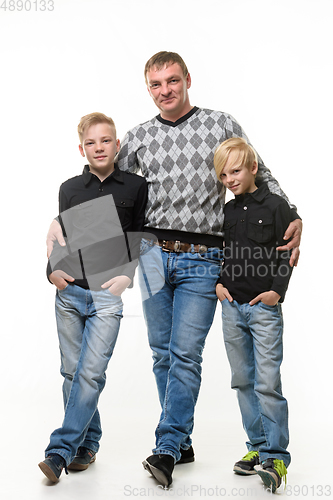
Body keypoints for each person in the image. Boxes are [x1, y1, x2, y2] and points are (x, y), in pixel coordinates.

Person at [46, 52, 302, 488]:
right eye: (155, 84)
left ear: (187, 79)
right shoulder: (139, 136)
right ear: (148, 89)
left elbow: (263, 172)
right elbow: (107, 184)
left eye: (172, 81)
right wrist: (62, 219)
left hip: (204, 258)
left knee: (186, 354)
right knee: (162, 353)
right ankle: (181, 440)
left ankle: (166, 447)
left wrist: (292, 214)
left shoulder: (221, 124)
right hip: (150, 257)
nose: (165, 90)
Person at [39, 112, 148, 483]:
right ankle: (88, 443)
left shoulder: (135, 186)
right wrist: (52, 272)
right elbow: (61, 238)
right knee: (72, 372)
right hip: (70, 295)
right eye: (91, 142)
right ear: (81, 148)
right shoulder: (70, 188)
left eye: (106, 141)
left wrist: (126, 276)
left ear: (117, 145)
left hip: (105, 296)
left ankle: (59, 452)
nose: (98, 148)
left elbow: (139, 234)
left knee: (90, 373)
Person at [214, 137, 294, 493]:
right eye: (223, 174)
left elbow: (286, 253)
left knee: (267, 383)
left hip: (263, 309)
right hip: (231, 308)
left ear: (253, 168)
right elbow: (222, 251)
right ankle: (257, 449)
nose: (229, 179)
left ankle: (277, 457)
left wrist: (277, 292)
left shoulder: (277, 207)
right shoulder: (227, 212)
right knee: (243, 381)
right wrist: (219, 283)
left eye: (235, 171)